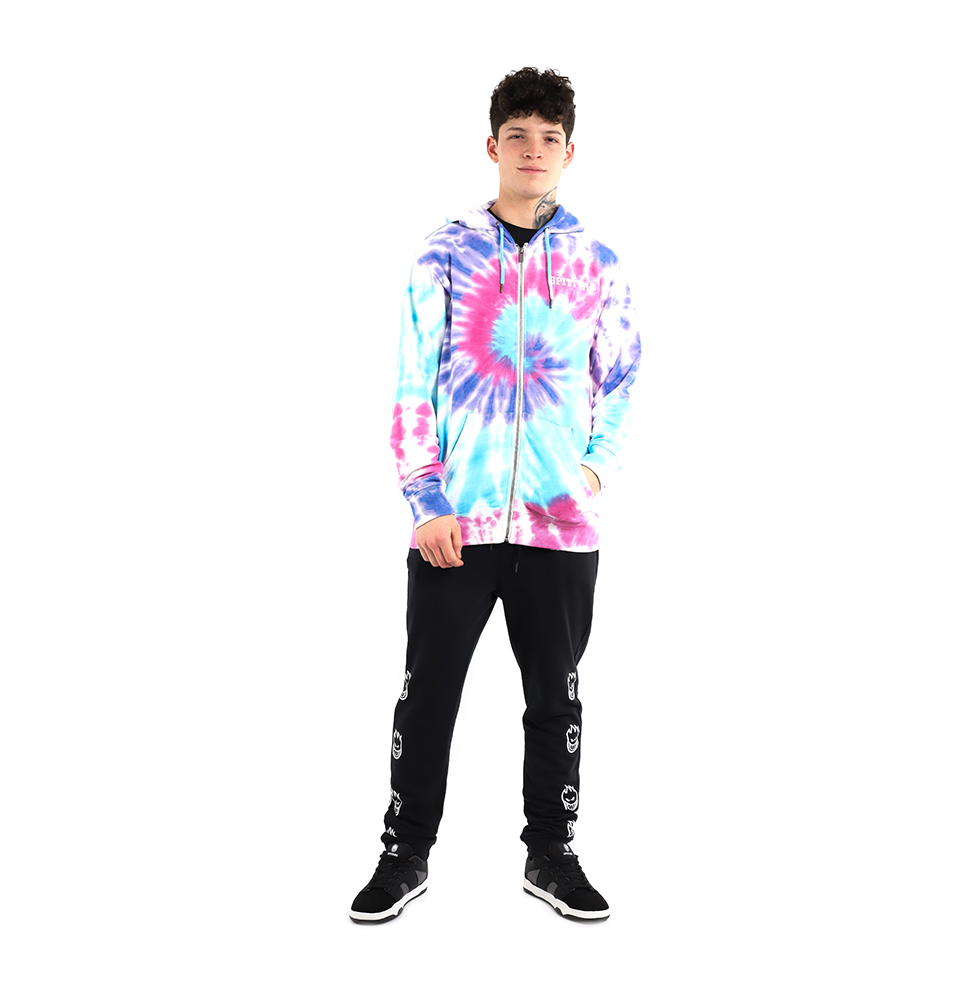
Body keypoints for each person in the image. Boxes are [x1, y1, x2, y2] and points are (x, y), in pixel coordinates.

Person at [349, 67, 641, 923]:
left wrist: (594, 469)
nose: (533, 150)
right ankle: (404, 852)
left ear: (570, 152)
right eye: (519, 135)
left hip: (560, 526)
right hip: (457, 522)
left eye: (550, 138)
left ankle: (552, 853)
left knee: (556, 698)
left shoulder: (596, 262)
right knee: (428, 692)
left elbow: (623, 376)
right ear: (492, 146)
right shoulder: (443, 253)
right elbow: (412, 380)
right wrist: (425, 500)